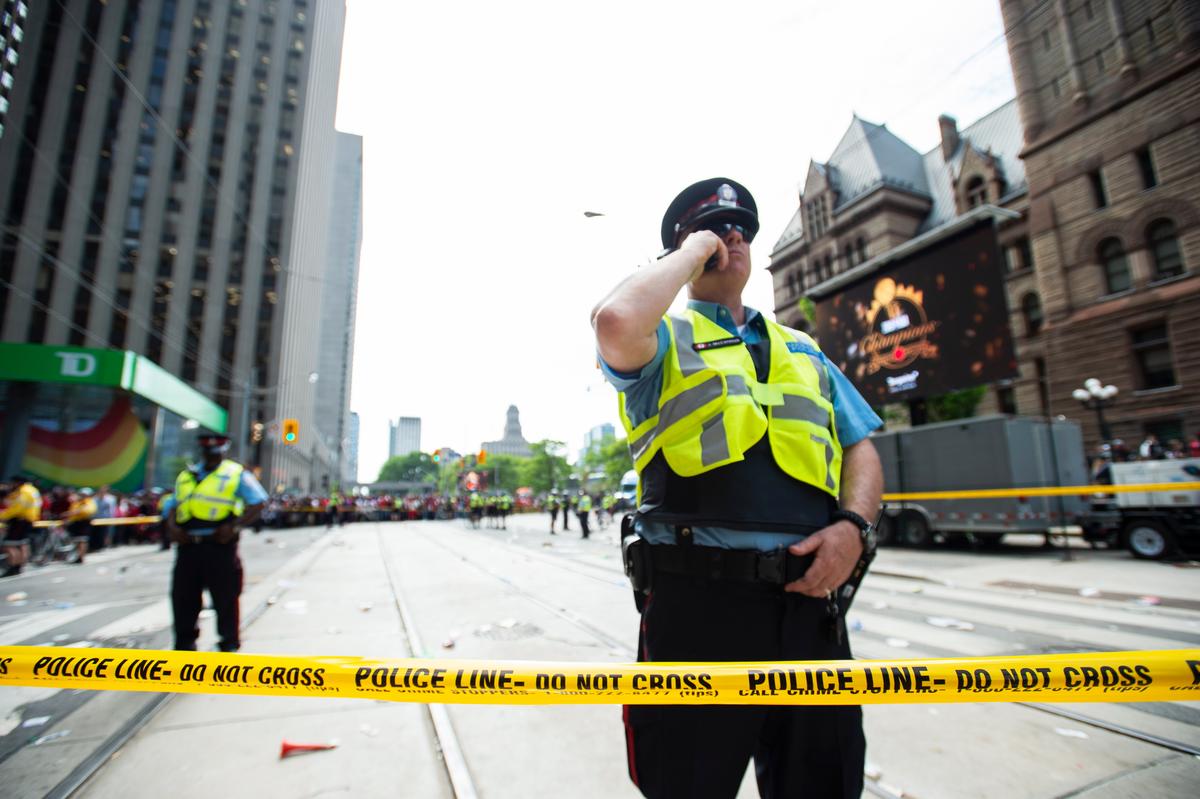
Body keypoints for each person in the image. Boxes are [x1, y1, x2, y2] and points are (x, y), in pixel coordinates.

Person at [592, 178, 884, 799]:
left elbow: (860, 446)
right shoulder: (662, 340)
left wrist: (854, 530)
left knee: (825, 785)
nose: (734, 238)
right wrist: (693, 251)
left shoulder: (804, 351)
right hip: (697, 609)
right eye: (717, 229)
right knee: (687, 786)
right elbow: (614, 318)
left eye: (742, 230)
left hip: (811, 605)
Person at [163, 433, 266, 652]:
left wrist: (234, 527)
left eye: (216, 453)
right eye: (208, 453)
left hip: (219, 547)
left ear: (223, 452)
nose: (212, 457)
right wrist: (172, 528)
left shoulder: (235, 474)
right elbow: (173, 505)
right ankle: (184, 645)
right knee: (183, 598)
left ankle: (228, 644)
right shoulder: (186, 476)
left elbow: (259, 502)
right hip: (188, 546)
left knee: (226, 598)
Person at [1, 475, 41, 576]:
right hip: (28, 520)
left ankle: (13, 566)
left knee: (9, 545)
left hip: (20, 521)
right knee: (22, 544)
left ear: (18, 482)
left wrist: (3, 515)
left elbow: (17, 508)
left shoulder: (23, 491)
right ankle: (19, 567)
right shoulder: (33, 490)